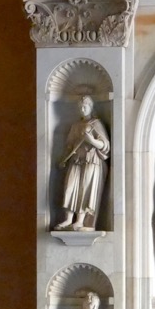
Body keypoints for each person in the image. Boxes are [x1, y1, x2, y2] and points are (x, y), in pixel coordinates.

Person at [57, 95, 111, 232]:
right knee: (70, 187)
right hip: (76, 160)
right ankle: (68, 219)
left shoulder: (96, 124)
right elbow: (69, 145)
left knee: (84, 189)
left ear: (90, 107)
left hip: (91, 161)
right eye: (80, 107)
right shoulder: (75, 126)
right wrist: (64, 158)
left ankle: (80, 221)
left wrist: (91, 140)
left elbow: (105, 146)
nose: (82, 109)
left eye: (85, 106)